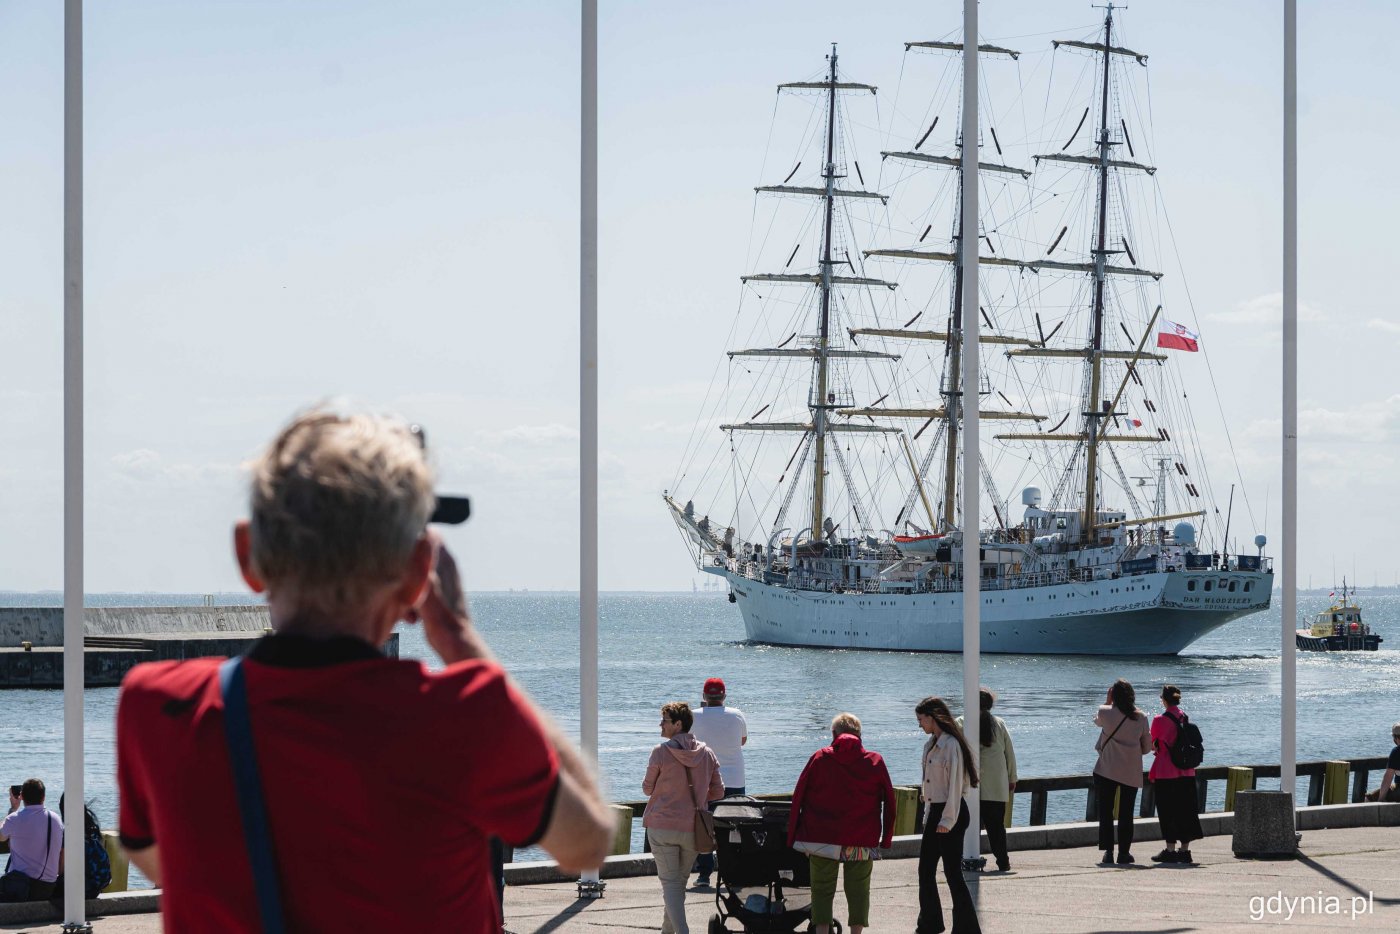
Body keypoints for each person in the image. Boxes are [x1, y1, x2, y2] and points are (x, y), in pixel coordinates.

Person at [115, 410, 615, 932]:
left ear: (247, 555)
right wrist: (461, 641)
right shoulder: (463, 717)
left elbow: (159, 861)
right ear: (420, 570)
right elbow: (588, 838)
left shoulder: (157, 707)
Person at [787, 713, 895, 934]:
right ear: (860, 735)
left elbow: (798, 796)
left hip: (821, 837)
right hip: (862, 838)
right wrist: (886, 839)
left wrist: (793, 835)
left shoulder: (819, 758)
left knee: (822, 889)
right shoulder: (875, 761)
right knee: (859, 890)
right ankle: (856, 932)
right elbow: (891, 803)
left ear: (833, 734)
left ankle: (822, 930)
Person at [642, 701, 724, 934]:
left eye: (665, 720)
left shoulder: (660, 752)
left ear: (678, 724)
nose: (661, 724)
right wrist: (698, 797)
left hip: (662, 826)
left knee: (670, 884)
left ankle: (682, 932)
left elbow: (647, 789)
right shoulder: (706, 753)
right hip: (693, 828)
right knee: (677, 884)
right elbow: (718, 791)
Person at [916, 696, 982, 934]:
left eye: (921, 719)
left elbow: (955, 786)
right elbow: (930, 787)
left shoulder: (951, 744)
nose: (919, 724)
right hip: (937, 811)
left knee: (952, 872)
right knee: (926, 870)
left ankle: (966, 928)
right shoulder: (932, 744)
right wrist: (930, 816)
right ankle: (930, 922)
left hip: (949, 812)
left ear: (932, 718)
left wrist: (947, 819)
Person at [688, 675, 748, 886]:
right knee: (734, 826)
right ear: (725, 695)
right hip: (734, 778)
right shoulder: (736, 715)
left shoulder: (693, 716)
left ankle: (705, 874)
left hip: (705, 779)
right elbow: (743, 741)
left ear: (704, 696)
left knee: (705, 826)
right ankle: (733, 874)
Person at [956, 688, 1017, 872]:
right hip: (996, 785)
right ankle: (1003, 861)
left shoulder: (961, 722)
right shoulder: (999, 723)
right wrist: (1012, 778)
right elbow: (1009, 754)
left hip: (969, 785)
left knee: (966, 826)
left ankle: (962, 858)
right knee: (996, 828)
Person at [1093, 679, 1151, 866]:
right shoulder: (1140, 717)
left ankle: (1108, 852)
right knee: (1126, 813)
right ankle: (1124, 853)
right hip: (1130, 771)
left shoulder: (1104, 711)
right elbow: (1146, 749)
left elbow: (1097, 721)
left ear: (1113, 695)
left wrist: (1108, 701)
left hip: (1106, 770)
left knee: (1106, 812)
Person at [1148, 685, 1203, 865]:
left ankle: (1170, 850)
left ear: (1163, 699)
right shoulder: (1184, 717)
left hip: (1166, 771)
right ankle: (1185, 851)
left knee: (1167, 811)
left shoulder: (1159, 720)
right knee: (1186, 810)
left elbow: (1153, 745)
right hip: (1187, 771)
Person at [0, 778, 63, 902]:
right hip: (48, 887)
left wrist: (13, 808)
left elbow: (1, 837)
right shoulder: (55, 819)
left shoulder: (14, 819)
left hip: (22, 888)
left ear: (22, 796)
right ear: (43, 797)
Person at [52, 794, 112, 902]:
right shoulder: (91, 829)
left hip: (83, 888)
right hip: (97, 887)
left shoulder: (69, 833)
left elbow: (61, 870)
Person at [1363, 722, 1400, 802]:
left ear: (1395, 738)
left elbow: (1388, 778)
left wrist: (1380, 800)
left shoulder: (1396, 752)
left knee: (1369, 798)